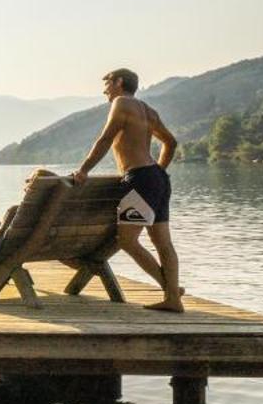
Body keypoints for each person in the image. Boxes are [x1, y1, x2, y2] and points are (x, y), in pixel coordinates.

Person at [71, 67, 183, 311]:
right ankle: (173, 296)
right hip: (157, 179)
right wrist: (159, 170)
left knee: (127, 240)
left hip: (141, 179)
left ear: (119, 82)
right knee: (163, 243)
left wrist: (83, 170)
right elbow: (171, 143)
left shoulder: (121, 103)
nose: (105, 90)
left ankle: (170, 291)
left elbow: (105, 139)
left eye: (107, 84)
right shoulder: (148, 110)